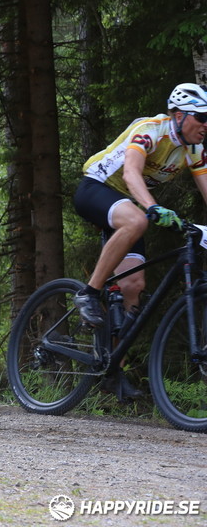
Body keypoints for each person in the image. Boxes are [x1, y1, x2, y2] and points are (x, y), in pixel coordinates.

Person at [72, 82, 207, 398]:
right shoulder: (152, 130)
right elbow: (132, 173)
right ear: (178, 115)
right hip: (97, 189)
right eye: (201, 117)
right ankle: (89, 294)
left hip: (128, 204)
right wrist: (153, 207)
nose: (206, 125)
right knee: (136, 219)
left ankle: (111, 369)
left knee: (133, 287)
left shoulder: (195, 150)